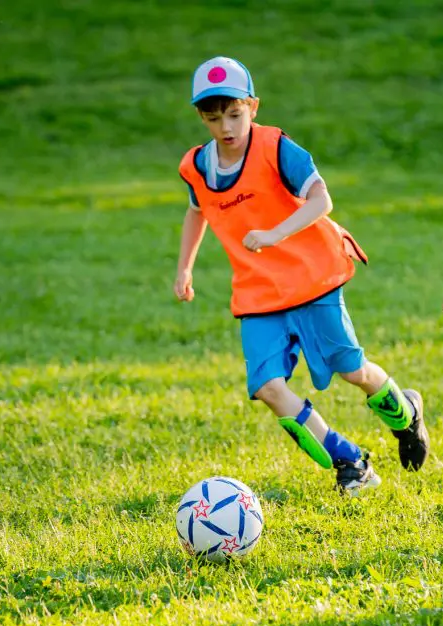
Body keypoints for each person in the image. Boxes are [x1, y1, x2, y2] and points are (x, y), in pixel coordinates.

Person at [174, 56, 430, 496]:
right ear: (201, 117)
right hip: (259, 295)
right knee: (268, 388)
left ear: (253, 106)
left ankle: (405, 412)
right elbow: (197, 210)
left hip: (313, 281)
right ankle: (351, 462)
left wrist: (275, 233)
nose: (226, 128)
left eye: (234, 115)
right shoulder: (198, 166)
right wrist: (184, 267)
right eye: (214, 119)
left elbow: (321, 200)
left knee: (353, 371)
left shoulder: (276, 149)